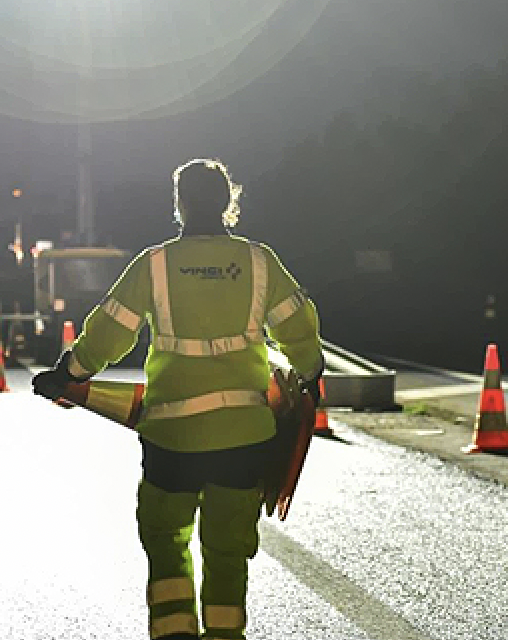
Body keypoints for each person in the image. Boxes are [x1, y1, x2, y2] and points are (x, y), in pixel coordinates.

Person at [33, 158, 323, 640]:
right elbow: (298, 331)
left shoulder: (155, 264)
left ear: (180, 204)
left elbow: (108, 332)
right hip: (244, 436)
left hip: (171, 438)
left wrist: (69, 373)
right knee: (228, 550)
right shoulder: (259, 262)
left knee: (167, 543)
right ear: (229, 202)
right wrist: (310, 370)